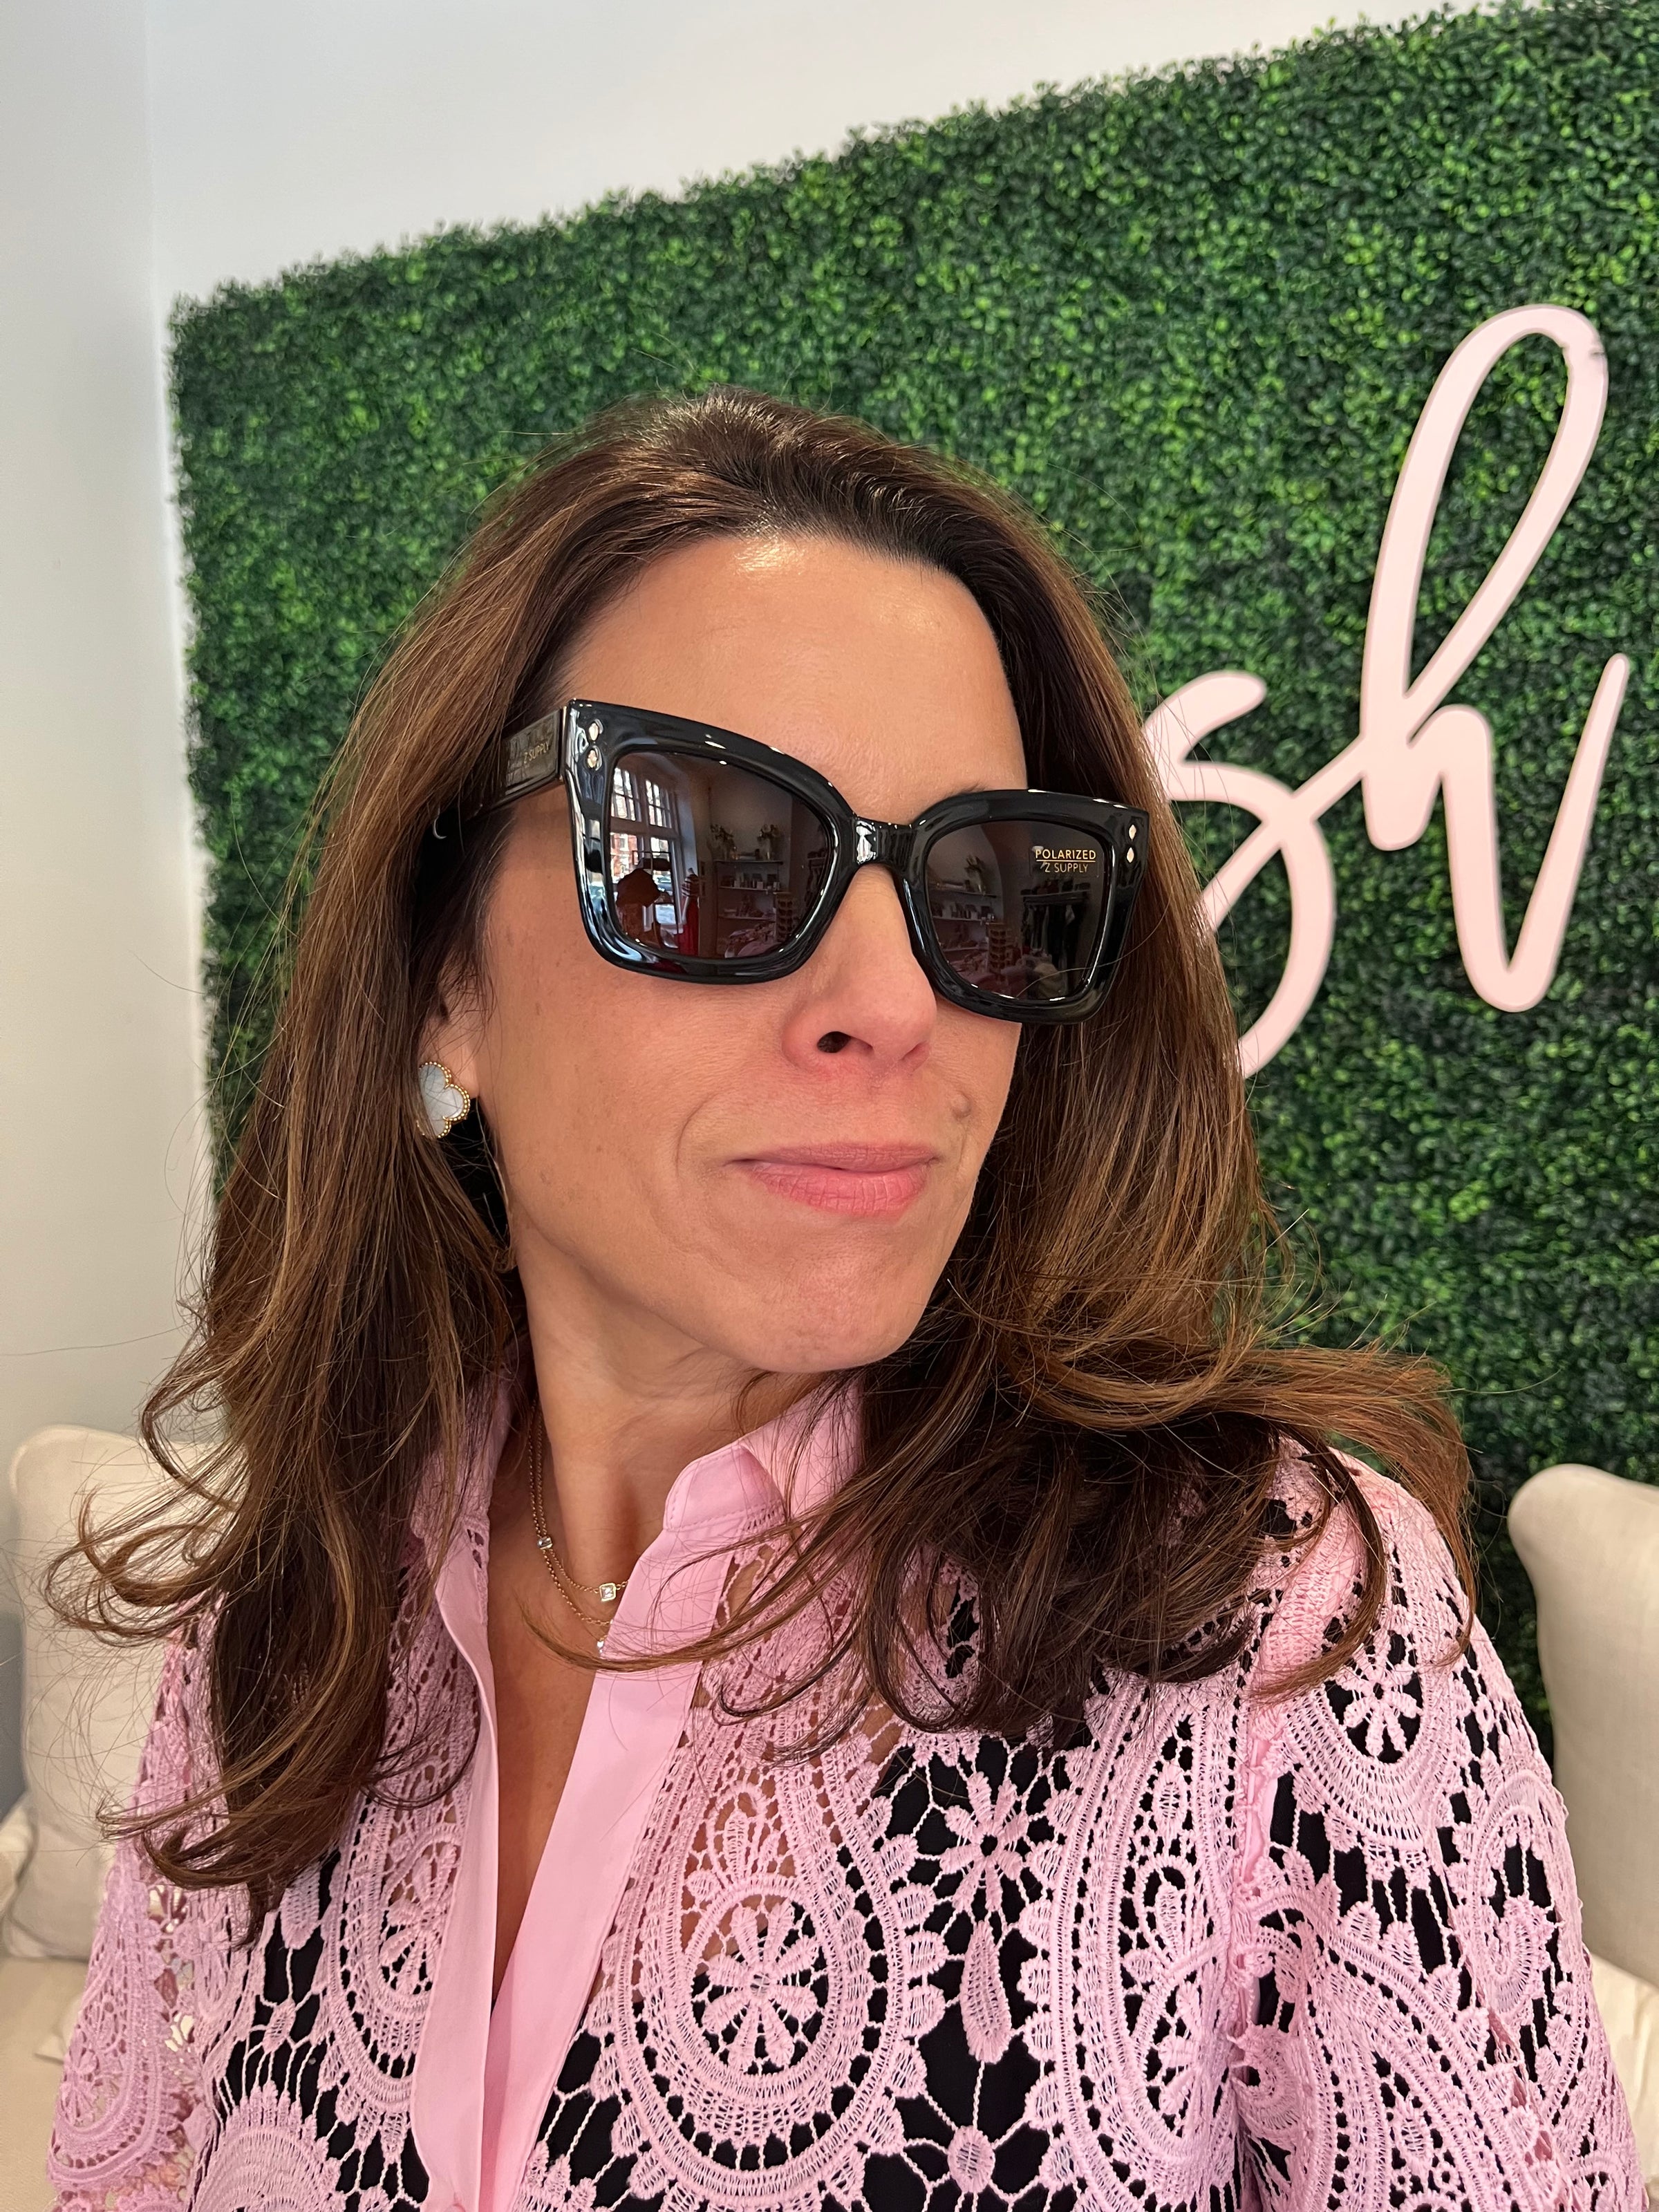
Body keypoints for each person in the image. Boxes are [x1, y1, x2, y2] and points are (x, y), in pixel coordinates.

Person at [48, 390, 1641, 2212]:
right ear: (442, 979)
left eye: (991, 887)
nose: (896, 1006)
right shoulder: (281, 1620)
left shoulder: (1275, 1631)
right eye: (717, 851)